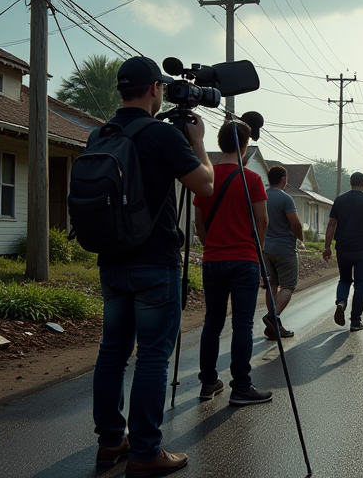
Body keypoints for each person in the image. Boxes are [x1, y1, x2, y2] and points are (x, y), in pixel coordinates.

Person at [93, 56, 214, 477]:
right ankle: (146, 452)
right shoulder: (161, 136)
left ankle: (110, 442)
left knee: (112, 353)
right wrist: (197, 141)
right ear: (154, 90)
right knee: (152, 357)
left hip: (111, 260)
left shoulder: (99, 134)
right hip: (154, 263)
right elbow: (205, 185)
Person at [193, 121, 273, 407]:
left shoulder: (206, 178)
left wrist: (209, 244)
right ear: (245, 145)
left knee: (211, 323)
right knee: (242, 325)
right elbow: (262, 220)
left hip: (213, 259)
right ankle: (241, 386)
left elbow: (198, 222)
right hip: (244, 261)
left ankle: (208, 382)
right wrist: (258, 248)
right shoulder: (251, 179)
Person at [323, 172, 363, 332]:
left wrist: (327, 246)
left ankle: (341, 302)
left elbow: (331, 225)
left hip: (343, 247)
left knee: (344, 280)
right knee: (360, 285)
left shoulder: (339, 200)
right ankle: (355, 320)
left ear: (350, 183)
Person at [261, 165, 306, 340]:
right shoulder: (285, 198)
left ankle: (274, 324)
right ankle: (273, 316)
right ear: (283, 180)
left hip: (266, 248)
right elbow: (294, 223)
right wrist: (301, 238)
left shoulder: (262, 196)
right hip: (285, 249)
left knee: (271, 285)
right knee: (288, 286)